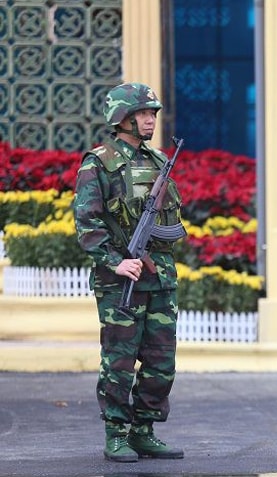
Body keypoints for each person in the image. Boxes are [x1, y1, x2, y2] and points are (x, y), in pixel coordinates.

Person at [73, 82, 185, 462]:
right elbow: (87, 224)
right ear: (122, 118)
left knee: (161, 360)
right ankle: (116, 434)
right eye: (142, 113)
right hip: (120, 279)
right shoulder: (98, 163)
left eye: (152, 113)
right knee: (119, 361)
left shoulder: (157, 163)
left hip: (159, 278)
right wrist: (115, 261)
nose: (150, 119)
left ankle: (143, 430)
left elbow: (171, 222)